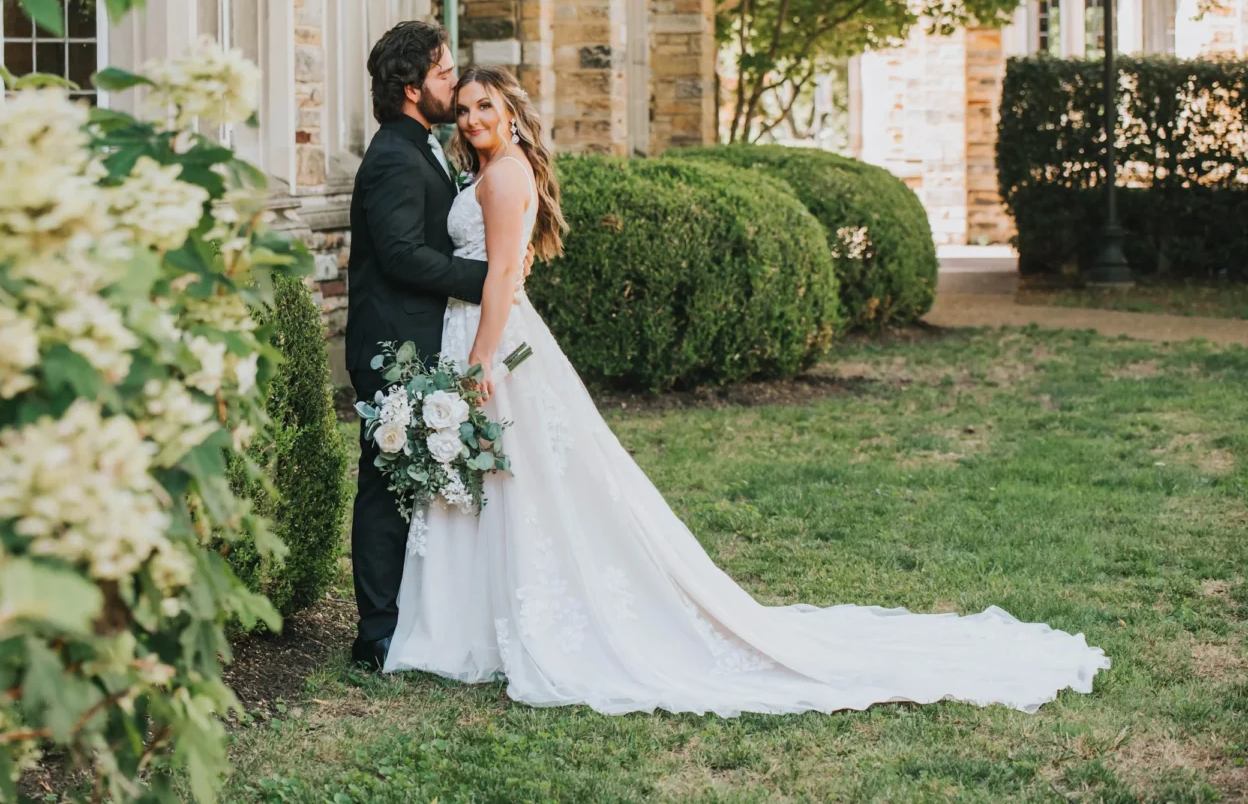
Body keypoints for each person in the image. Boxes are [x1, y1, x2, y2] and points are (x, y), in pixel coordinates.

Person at [383, 65, 1110, 716]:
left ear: (511, 111)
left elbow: (504, 276)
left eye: (486, 106)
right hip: (479, 331)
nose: (473, 117)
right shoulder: (486, 168)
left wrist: (480, 363)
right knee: (504, 482)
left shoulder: (504, 174)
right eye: (467, 108)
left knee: (515, 481)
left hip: (491, 338)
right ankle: (476, 621)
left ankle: (489, 624)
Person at [346, 22, 524, 670]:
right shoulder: (394, 153)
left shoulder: (422, 144)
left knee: (412, 482)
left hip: (427, 338)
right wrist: (489, 277)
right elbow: (399, 255)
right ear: (413, 88)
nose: (456, 81)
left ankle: (418, 613)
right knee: (385, 484)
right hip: (392, 342)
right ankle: (378, 632)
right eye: (446, 74)